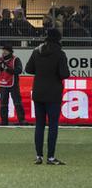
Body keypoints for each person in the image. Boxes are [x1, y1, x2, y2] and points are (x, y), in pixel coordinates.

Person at [25, 27, 70, 165]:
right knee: (53, 125)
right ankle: (51, 157)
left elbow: (28, 69)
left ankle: (39, 156)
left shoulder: (37, 51)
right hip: (53, 93)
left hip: (38, 92)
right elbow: (64, 74)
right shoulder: (60, 54)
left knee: (39, 125)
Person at [0, 44, 27, 127]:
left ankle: (21, 120)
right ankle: (4, 121)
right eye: (3, 50)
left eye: (5, 51)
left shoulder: (15, 59)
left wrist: (7, 68)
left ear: (10, 52)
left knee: (17, 102)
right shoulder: (0, 59)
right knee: (3, 103)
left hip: (13, 84)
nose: (3, 52)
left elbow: (19, 70)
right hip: (3, 84)